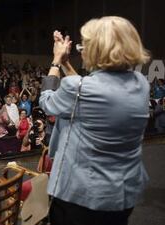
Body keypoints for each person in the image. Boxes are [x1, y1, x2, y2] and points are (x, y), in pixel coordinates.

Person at [40, 17, 150, 225]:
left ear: (97, 51)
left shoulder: (80, 90)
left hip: (83, 197)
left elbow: (46, 102)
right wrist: (66, 63)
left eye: (84, 45)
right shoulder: (141, 83)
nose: (81, 50)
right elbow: (84, 89)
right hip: (123, 193)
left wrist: (56, 61)